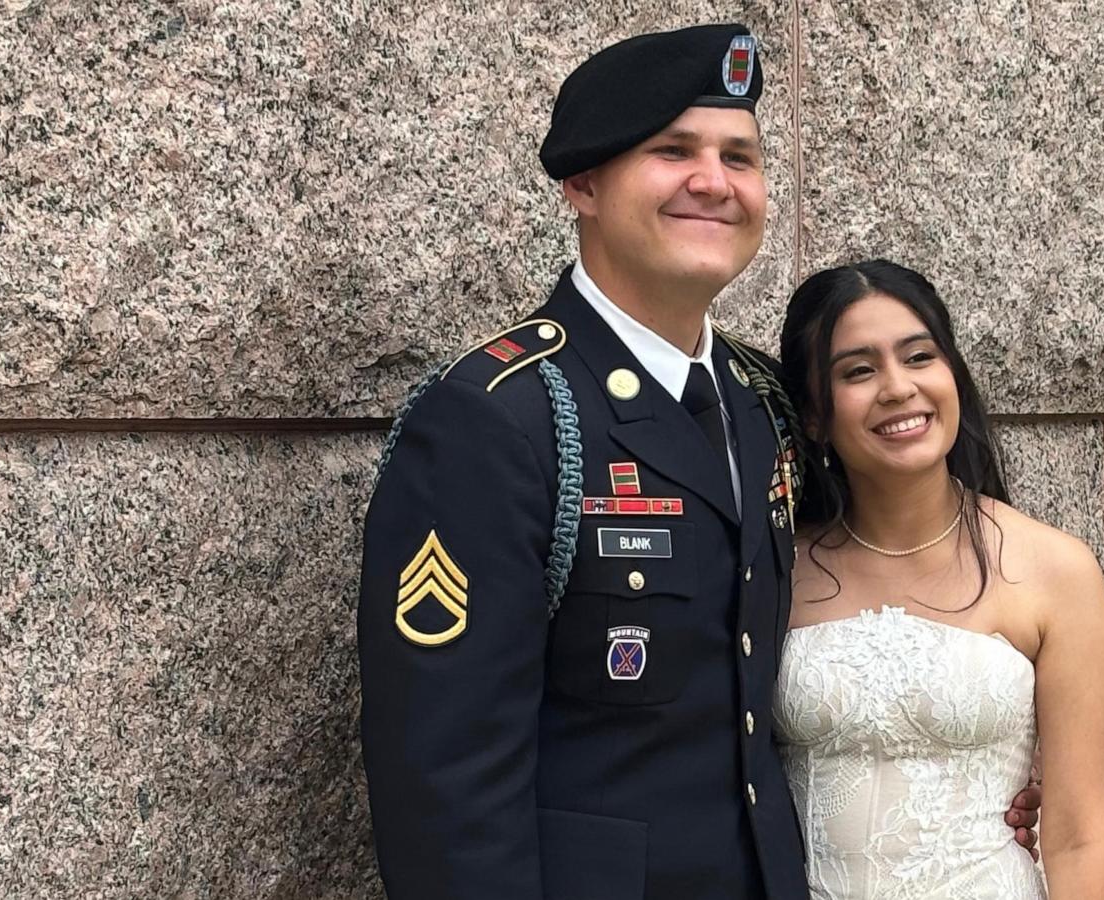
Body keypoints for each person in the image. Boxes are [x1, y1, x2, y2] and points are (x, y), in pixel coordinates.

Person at [357, 24, 1038, 900]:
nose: (714, 181)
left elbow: (869, 569)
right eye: (674, 151)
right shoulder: (500, 418)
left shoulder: (766, 404)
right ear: (582, 183)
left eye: (739, 157)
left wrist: (987, 742)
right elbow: (444, 787)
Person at [774, 260, 1104, 899]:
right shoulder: (773, 570)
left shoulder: (1054, 570)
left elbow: (1078, 836)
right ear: (815, 415)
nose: (898, 388)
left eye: (919, 357)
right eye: (858, 371)